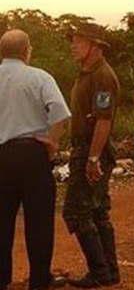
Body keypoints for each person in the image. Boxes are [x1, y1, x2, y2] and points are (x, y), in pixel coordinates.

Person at [0, 30, 71, 290]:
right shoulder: (40, 77)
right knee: (39, 221)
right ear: (26, 50)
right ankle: (40, 281)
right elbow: (60, 114)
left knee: (2, 222)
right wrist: (52, 143)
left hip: (1, 158)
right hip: (33, 155)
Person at [63, 23, 121, 288]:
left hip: (91, 149)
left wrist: (93, 158)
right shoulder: (87, 73)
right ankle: (108, 271)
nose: (73, 45)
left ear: (95, 46)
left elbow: (103, 120)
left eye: (78, 41)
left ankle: (100, 272)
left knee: (76, 211)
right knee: (97, 211)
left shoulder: (102, 77)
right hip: (86, 148)